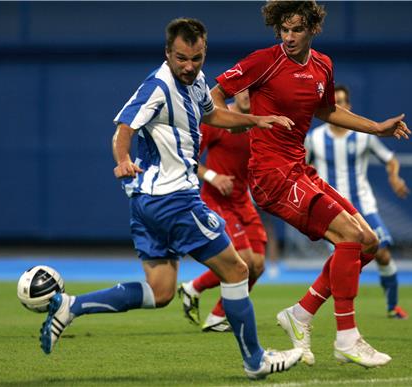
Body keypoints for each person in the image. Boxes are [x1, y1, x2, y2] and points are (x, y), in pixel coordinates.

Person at [37, 18, 302, 380]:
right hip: (173, 200)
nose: (189, 66)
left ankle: (71, 306)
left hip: (148, 203)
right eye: (181, 58)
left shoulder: (196, 85)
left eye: (196, 58)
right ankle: (255, 360)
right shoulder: (158, 86)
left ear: (203, 53)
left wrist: (255, 120)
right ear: (167, 53)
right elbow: (123, 128)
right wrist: (123, 161)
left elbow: (213, 115)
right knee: (239, 269)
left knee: (160, 291)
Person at [210, 1, 411, 368]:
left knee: (368, 243)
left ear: (312, 29)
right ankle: (347, 337)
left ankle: (301, 314)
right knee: (350, 237)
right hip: (271, 177)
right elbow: (212, 97)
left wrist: (377, 126)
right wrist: (249, 120)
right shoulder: (263, 60)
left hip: (299, 170)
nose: (288, 37)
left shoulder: (323, 65)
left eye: (296, 30)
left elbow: (326, 110)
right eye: (284, 30)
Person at [305, 85, 409, 319]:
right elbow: (302, 166)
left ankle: (393, 307)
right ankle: (336, 312)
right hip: (334, 210)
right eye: (335, 102)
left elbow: (390, 159)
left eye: (343, 101)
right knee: (344, 262)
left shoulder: (364, 137)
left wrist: (394, 176)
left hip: (364, 205)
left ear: (349, 106)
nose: (339, 105)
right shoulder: (315, 139)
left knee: (382, 254)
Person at [178, 90, 268, 332]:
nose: (248, 94)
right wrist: (213, 176)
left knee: (258, 265)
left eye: (254, 89)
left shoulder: (260, 121)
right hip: (216, 199)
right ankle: (215, 310)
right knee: (245, 261)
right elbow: (188, 159)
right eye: (243, 89)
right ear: (234, 92)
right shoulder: (218, 118)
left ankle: (208, 305)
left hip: (243, 201)